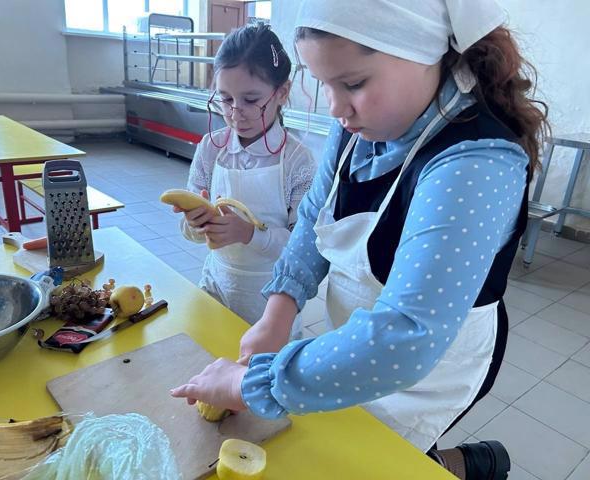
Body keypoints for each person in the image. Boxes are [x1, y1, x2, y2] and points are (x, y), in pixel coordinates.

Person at [172, 1, 549, 478]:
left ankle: (465, 466)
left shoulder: (476, 164)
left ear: (424, 52)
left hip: (429, 365)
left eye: (352, 84)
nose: (335, 107)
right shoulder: (358, 125)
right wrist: (279, 310)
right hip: (363, 336)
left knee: (374, 459)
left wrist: (252, 385)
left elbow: (407, 335)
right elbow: (313, 216)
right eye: (323, 83)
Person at [173, 23, 315, 335]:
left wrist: (249, 233)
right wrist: (195, 224)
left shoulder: (296, 161)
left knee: (259, 376)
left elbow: (303, 248)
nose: (237, 112)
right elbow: (189, 231)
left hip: (270, 299)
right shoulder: (211, 148)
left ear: (282, 93)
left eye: (251, 100)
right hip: (216, 286)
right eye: (225, 99)